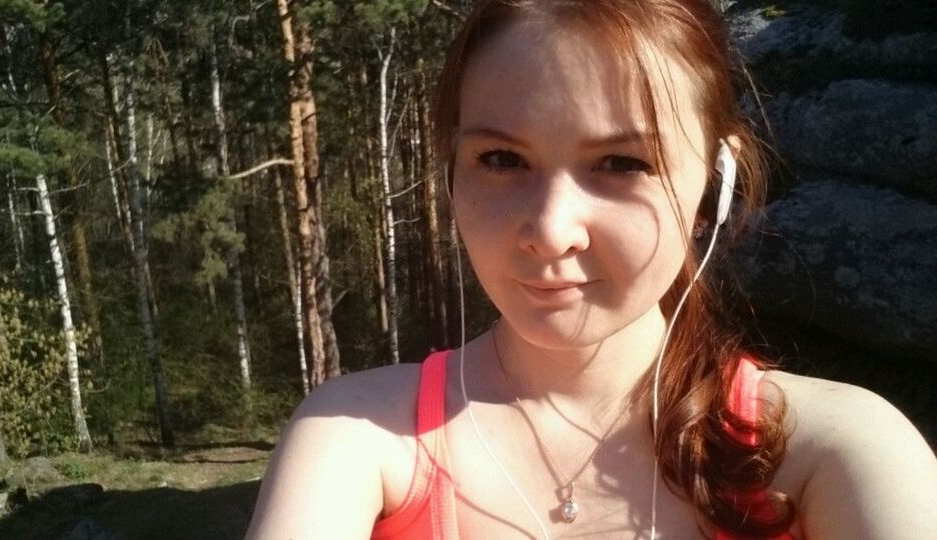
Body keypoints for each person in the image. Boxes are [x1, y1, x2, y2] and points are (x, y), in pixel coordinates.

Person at [245, 1, 937, 538]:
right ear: (451, 171)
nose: (550, 230)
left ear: (713, 185)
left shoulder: (835, 452)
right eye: (502, 159)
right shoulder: (356, 438)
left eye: (621, 164)